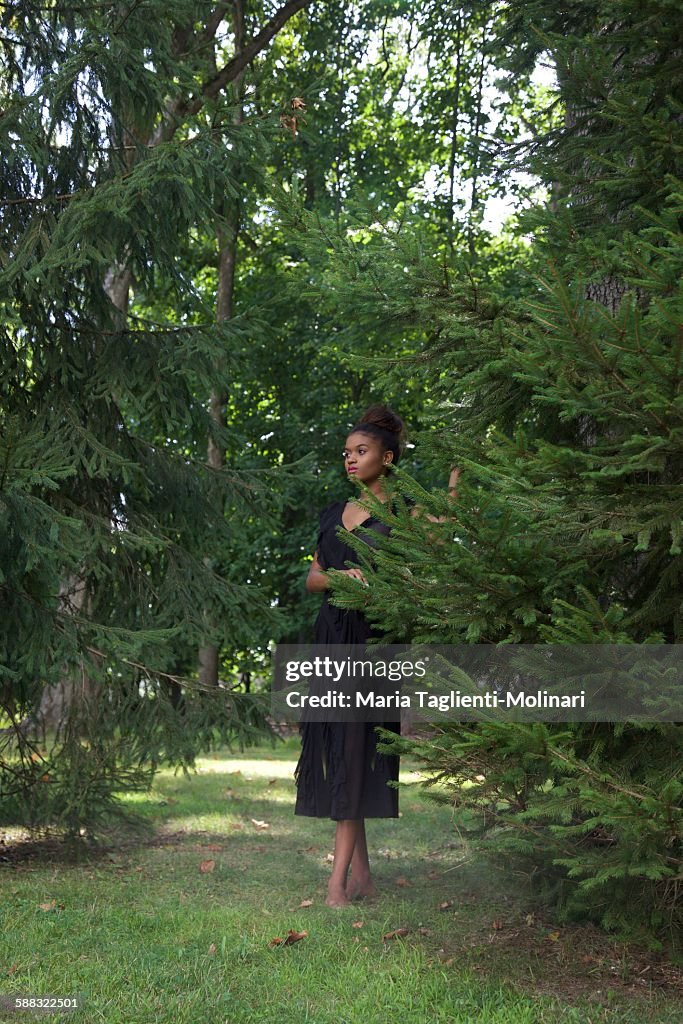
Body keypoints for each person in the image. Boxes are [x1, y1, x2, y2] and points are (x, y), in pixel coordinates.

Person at [293, 405, 459, 907]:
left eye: (360, 452)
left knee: (358, 749)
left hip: (374, 644)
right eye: (346, 452)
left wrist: (456, 481)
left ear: (386, 458)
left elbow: (442, 530)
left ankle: (336, 885)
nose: (350, 459)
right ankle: (361, 878)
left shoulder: (403, 511)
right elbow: (312, 579)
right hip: (331, 640)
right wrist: (342, 577)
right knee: (342, 751)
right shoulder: (332, 513)